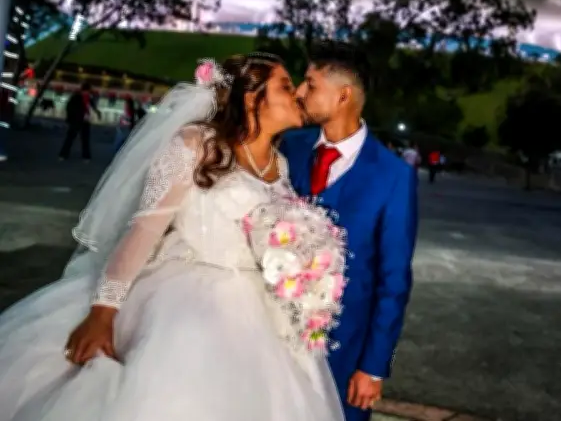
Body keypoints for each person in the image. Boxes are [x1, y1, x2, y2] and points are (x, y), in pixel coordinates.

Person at [0, 53, 345, 420]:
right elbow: (145, 229)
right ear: (249, 97)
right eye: (286, 86)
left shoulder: (281, 164)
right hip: (187, 295)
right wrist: (103, 312)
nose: (297, 96)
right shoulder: (195, 144)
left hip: (259, 312)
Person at [281, 42, 418, 421]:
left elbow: (394, 281)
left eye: (310, 84)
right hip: (272, 341)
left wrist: (373, 367)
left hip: (345, 352)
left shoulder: (395, 177)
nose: (300, 92)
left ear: (343, 95)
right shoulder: (288, 147)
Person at [59, 82, 101, 161]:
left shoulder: (85, 98)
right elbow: (71, 108)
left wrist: (96, 112)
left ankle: (64, 155)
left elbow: (70, 108)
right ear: (86, 90)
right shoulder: (78, 98)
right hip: (77, 120)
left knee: (78, 139)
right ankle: (83, 156)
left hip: (83, 121)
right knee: (73, 138)